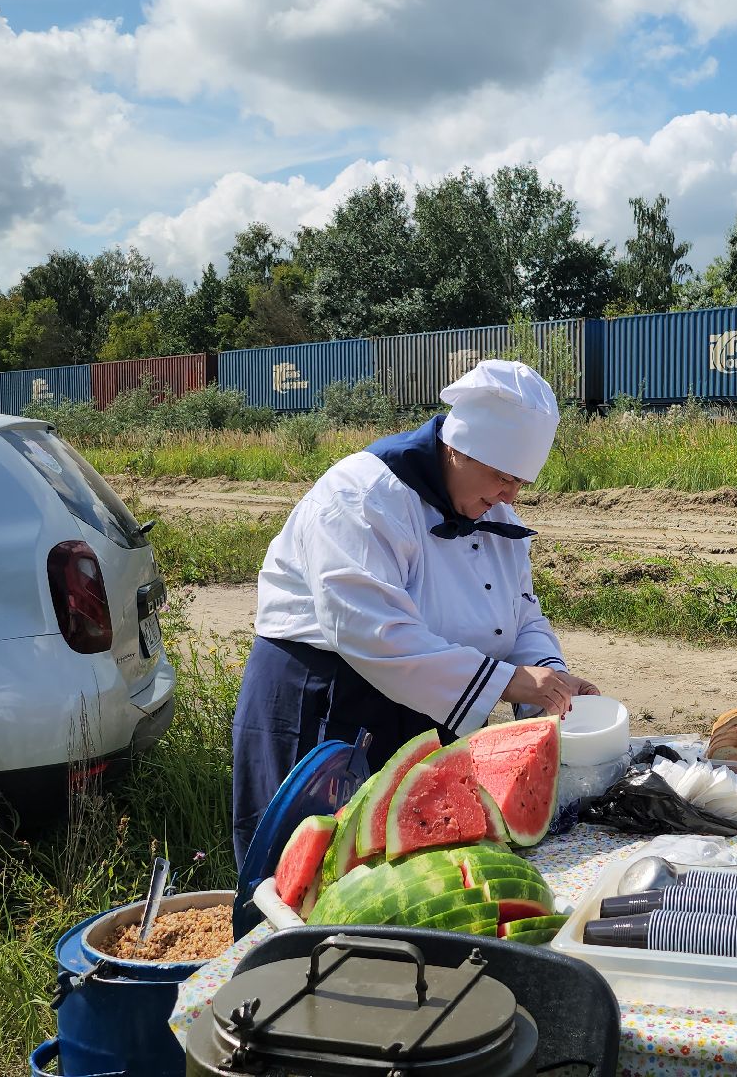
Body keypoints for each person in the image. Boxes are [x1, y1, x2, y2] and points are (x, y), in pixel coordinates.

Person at [230, 360, 595, 868]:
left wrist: (552, 679)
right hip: (328, 699)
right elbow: (372, 632)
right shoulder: (362, 494)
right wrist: (508, 683)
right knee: (306, 871)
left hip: (436, 704)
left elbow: (520, 614)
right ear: (457, 448)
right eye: (502, 476)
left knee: (416, 875)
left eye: (521, 481)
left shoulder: (494, 512)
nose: (511, 495)